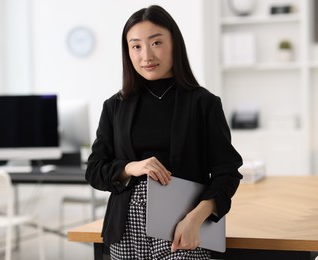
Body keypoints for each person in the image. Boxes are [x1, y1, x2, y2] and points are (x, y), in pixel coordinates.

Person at [85, 5, 243, 260]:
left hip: (182, 227)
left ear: (174, 44)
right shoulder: (115, 106)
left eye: (156, 42)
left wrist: (195, 219)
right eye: (136, 46)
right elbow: (94, 171)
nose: (146, 55)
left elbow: (227, 173)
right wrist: (131, 167)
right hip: (126, 230)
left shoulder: (204, 103)